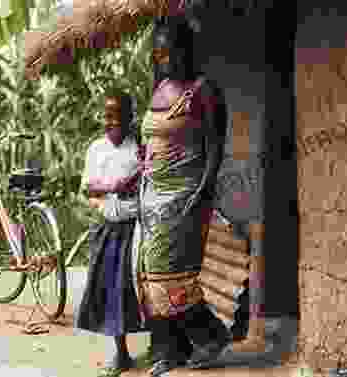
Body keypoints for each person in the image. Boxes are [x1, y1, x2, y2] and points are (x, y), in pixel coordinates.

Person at [135, 17, 231, 377]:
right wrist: (144, 163)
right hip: (152, 196)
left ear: (186, 49)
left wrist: (203, 192)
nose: (165, 57)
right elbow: (151, 138)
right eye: (159, 51)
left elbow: (215, 145)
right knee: (150, 275)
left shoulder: (203, 89)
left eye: (171, 49)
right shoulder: (160, 87)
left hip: (185, 196)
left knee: (169, 274)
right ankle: (171, 350)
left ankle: (211, 335)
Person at [75, 89, 145, 377]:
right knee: (112, 291)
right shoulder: (96, 149)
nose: (111, 121)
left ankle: (165, 346)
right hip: (108, 228)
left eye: (118, 116)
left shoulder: (139, 147)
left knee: (139, 290)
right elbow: (87, 187)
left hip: (136, 228)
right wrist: (113, 187)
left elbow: (148, 176)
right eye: (107, 115)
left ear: (130, 118)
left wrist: (138, 175)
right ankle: (122, 352)